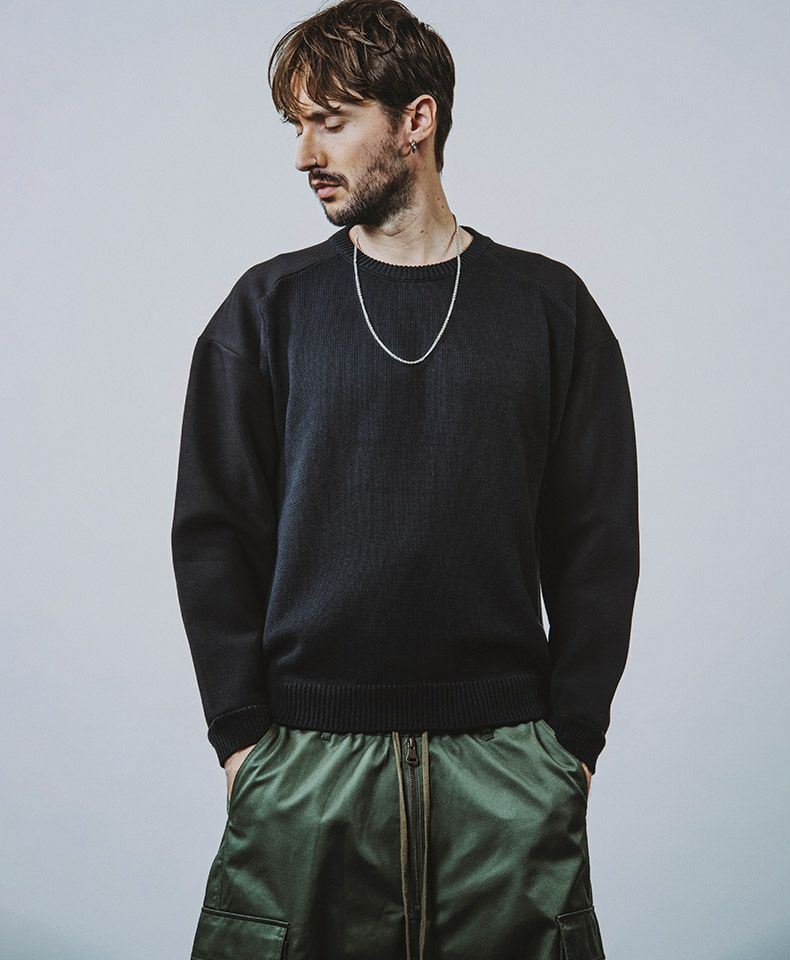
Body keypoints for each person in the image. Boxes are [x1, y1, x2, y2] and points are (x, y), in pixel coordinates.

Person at [170, 2, 639, 958]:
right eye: (297, 126)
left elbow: (596, 536)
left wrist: (573, 743)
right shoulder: (267, 310)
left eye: (330, 122)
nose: (304, 155)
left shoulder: (549, 308)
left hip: (507, 769)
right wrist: (242, 738)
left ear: (415, 120)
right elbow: (214, 529)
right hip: (307, 766)